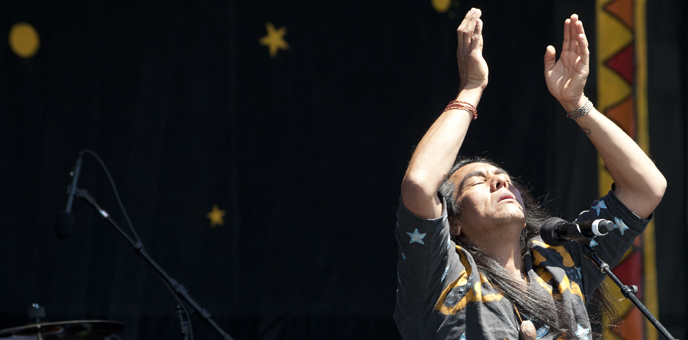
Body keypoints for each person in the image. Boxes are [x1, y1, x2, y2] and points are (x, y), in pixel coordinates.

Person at [394, 8, 666, 340]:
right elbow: (420, 185)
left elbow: (645, 189)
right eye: (477, 180)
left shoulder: (560, 265)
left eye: (502, 176)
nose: (500, 180)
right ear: (453, 223)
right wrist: (471, 88)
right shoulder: (440, 274)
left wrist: (577, 103)